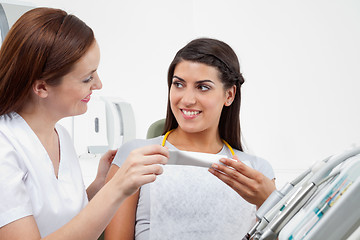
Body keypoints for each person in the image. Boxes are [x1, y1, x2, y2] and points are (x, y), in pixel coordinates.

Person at [0, 7, 169, 239]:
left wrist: (99, 185)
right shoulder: (5, 146)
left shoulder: (60, 136)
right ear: (41, 87)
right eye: (87, 78)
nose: (98, 84)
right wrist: (117, 188)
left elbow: (65, 223)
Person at [104, 38, 276, 240]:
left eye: (203, 87)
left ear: (229, 95)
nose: (187, 99)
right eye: (178, 84)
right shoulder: (136, 156)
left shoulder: (256, 172)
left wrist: (270, 201)